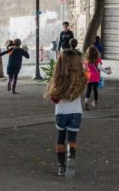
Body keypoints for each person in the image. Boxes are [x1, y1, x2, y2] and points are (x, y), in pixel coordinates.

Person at [45, 49, 87, 177]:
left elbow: (55, 99)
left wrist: (50, 87)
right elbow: (89, 77)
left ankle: (61, 167)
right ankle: (71, 156)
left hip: (61, 113)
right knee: (72, 139)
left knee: (60, 139)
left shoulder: (58, 80)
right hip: (76, 113)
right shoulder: (82, 77)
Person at [84, 46, 111, 111]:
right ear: (96, 53)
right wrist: (107, 72)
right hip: (96, 76)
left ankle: (86, 102)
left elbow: (84, 69)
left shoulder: (86, 60)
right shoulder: (98, 59)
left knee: (88, 90)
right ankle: (95, 103)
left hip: (89, 76)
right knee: (95, 89)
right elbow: (99, 67)